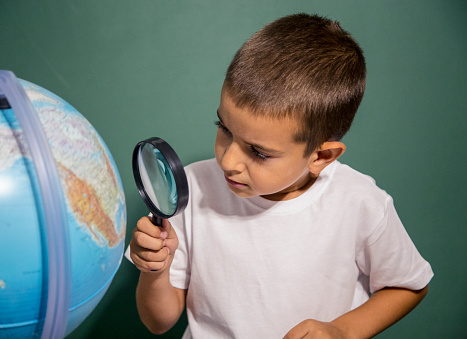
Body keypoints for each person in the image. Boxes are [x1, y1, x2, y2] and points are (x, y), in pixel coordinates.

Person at [127, 13, 433, 338]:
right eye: (224, 129)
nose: (229, 161)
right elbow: (157, 322)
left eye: (258, 152)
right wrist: (155, 271)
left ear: (321, 157)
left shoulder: (360, 203)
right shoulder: (192, 190)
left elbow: (408, 286)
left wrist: (341, 331)